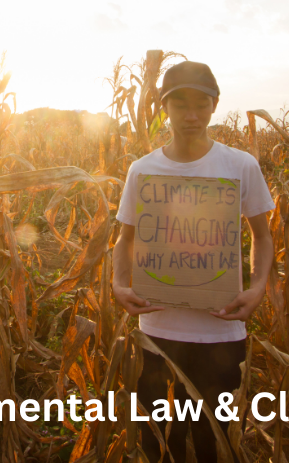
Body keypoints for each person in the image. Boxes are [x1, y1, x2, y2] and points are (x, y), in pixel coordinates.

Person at [112, 61, 275, 463]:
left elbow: (263, 235)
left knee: (214, 442)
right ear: (163, 107)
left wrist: (257, 288)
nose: (191, 116)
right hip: (157, 330)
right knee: (159, 441)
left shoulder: (240, 166)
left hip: (221, 332)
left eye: (201, 105)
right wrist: (119, 283)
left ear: (215, 106)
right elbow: (125, 238)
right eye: (179, 104)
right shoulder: (143, 171)